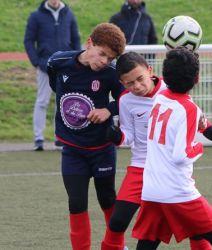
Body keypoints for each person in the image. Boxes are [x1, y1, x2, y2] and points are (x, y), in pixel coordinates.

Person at [101, 51, 212, 250]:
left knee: (195, 227)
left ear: (149, 71)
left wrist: (206, 127)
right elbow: (128, 135)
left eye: (140, 79)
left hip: (168, 168)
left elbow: (189, 112)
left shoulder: (170, 87)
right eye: (129, 84)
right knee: (117, 222)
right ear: (122, 84)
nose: (137, 87)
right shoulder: (125, 101)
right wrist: (117, 136)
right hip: (141, 166)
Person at [131, 47, 212, 250]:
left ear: (164, 76)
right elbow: (181, 155)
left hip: (152, 189)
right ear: (196, 79)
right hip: (177, 191)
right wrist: (199, 147)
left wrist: (204, 125)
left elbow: (178, 119)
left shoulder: (159, 98)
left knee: (147, 244)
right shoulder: (189, 109)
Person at [47, 23, 126, 250]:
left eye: (109, 58)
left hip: (101, 150)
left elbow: (127, 99)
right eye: (101, 54)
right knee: (76, 203)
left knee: (107, 199)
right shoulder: (58, 61)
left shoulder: (110, 75)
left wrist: (108, 110)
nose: (104, 61)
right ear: (89, 43)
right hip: (72, 150)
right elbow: (54, 78)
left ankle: (115, 246)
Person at [24, 0, 81, 151]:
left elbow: (76, 39)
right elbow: (28, 40)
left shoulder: (69, 14)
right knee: (42, 101)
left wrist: (75, 60)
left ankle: (60, 137)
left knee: (62, 102)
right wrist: (36, 62)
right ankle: (38, 138)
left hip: (65, 68)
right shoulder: (36, 16)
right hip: (44, 67)